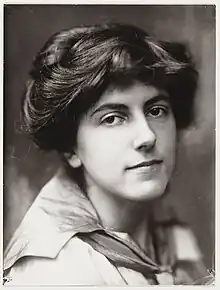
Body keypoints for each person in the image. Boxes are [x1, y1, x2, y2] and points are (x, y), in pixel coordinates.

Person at [3, 23, 213, 285]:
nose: (147, 136)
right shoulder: (54, 269)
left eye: (156, 110)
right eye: (113, 118)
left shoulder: (163, 225)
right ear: (70, 147)